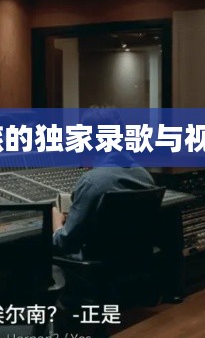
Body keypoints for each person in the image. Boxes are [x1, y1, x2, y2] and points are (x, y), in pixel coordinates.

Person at [51, 106, 157, 260]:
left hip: (94, 269)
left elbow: (65, 244)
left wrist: (57, 223)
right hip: (136, 265)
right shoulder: (144, 176)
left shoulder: (91, 182)